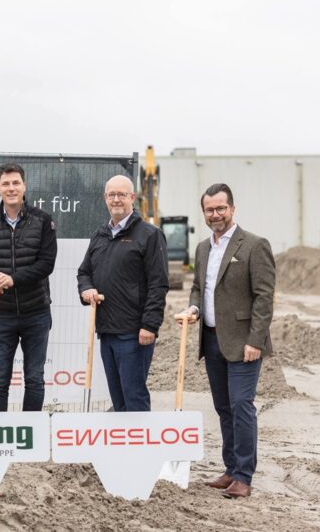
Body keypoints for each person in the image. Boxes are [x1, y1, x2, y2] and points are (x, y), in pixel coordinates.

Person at [179, 183, 275, 499]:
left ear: (232, 208)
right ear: (204, 213)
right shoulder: (202, 249)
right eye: (210, 210)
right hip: (211, 340)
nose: (215, 214)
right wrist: (194, 308)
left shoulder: (255, 245)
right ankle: (231, 469)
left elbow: (264, 297)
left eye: (221, 208)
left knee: (241, 406)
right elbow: (199, 288)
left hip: (244, 343)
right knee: (223, 408)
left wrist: (255, 340)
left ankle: (244, 476)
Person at [0, 163, 57, 412]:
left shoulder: (43, 221)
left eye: (16, 183)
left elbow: (46, 264)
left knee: (34, 378)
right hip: (2, 314)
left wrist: (12, 279)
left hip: (37, 312)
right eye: (5, 184)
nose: (11, 188)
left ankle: (32, 431)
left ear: (24, 186)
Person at [76, 175, 169, 411]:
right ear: (105, 198)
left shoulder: (150, 234)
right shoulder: (100, 235)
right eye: (112, 195)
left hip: (134, 333)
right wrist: (87, 289)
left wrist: (150, 325)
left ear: (132, 198)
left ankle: (142, 437)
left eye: (122, 194)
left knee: (134, 398)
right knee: (118, 400)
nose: (116, 199)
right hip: (106, 331)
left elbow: (158, 284)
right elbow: (84, 273)